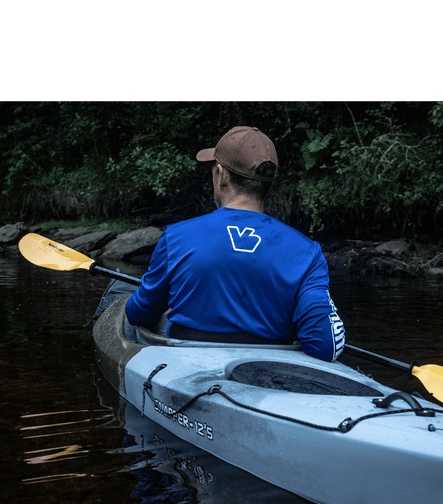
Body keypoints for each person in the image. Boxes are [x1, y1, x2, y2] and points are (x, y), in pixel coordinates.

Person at [123, 126, 345, 362]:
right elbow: (324, 345)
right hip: (270, 371)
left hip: (186, 365)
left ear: (222, 175)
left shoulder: (176, 236)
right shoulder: (307, 252)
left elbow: (139, 313)